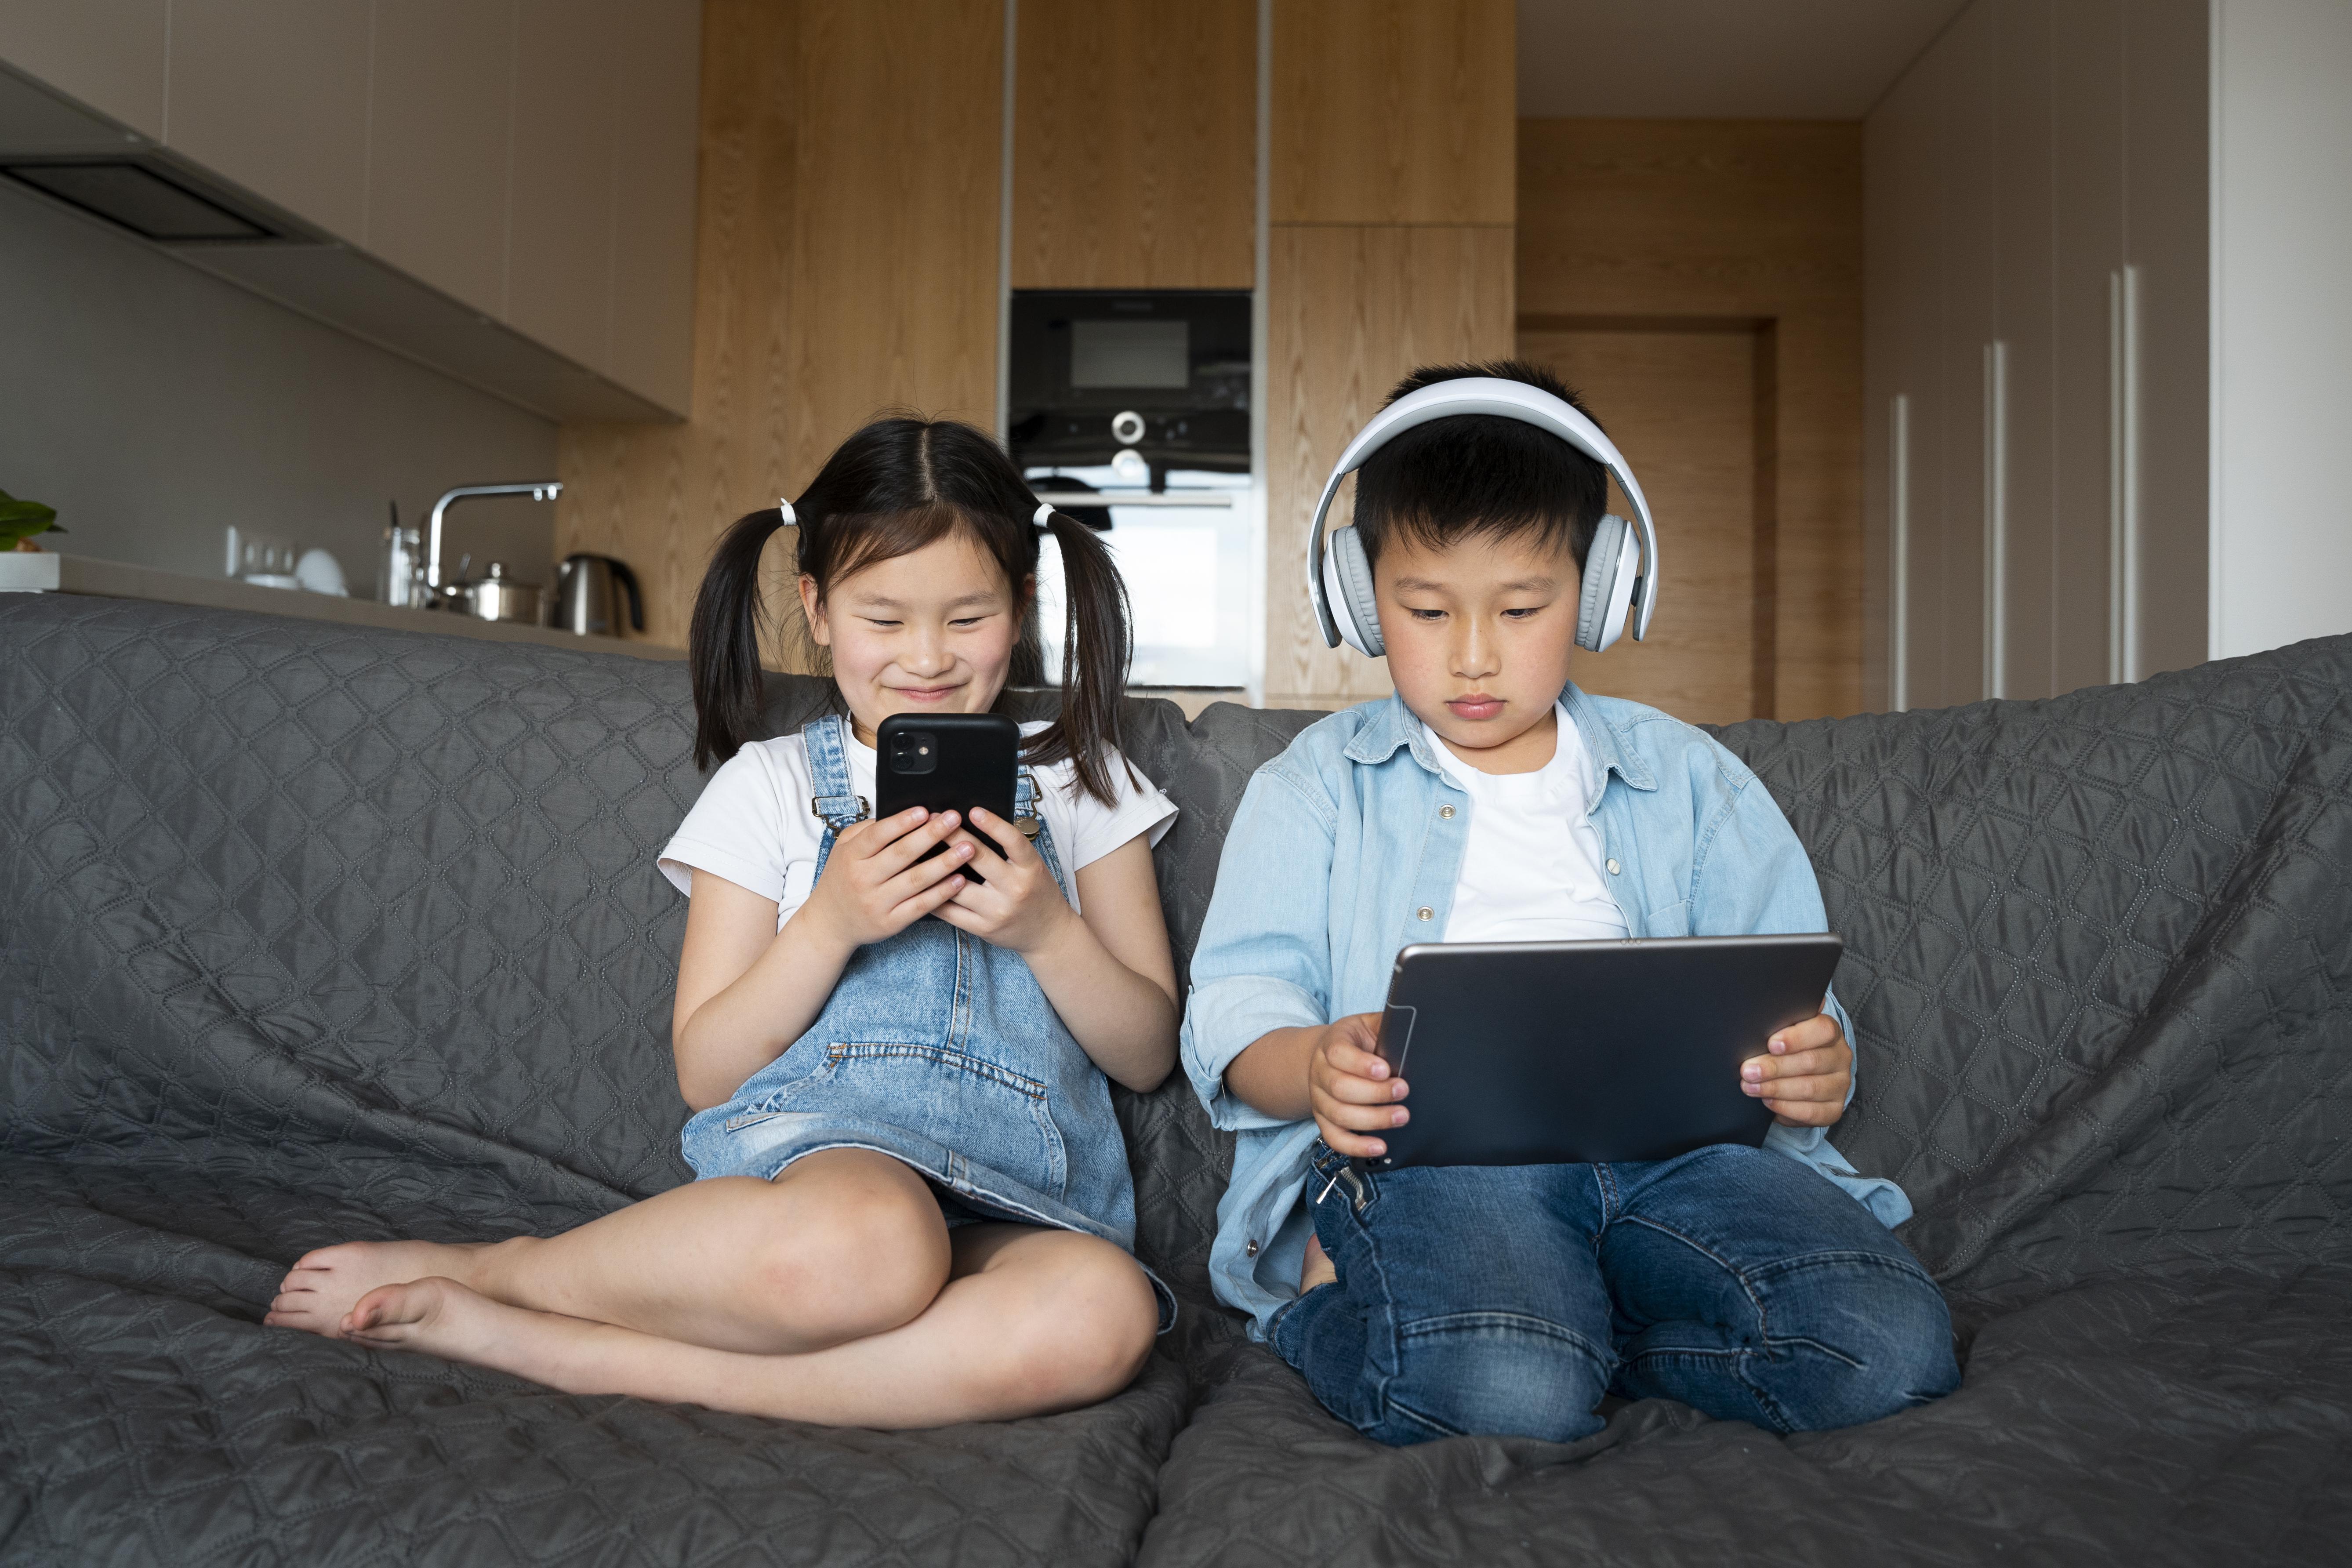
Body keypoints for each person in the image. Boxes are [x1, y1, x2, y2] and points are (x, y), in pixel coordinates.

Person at [269, 417, 1182, 1428]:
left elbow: (1146, 1052)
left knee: (1108, 1313)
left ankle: (587, 1356)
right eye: (884, 619)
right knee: (875, 1249)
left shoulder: (1082, 783)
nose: (927, 657)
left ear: (1021, 606)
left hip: (1026, 1195)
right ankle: (509, 1271)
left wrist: (1048, 930)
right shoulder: (774, 786)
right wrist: (830, 921)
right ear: (817, 609)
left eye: (967, 619)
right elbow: (706, 1068)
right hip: (836, 1175)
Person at [1182, 360, 1960, 1446]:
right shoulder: (1314, 787)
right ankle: (1331, 1311)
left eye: (1521, 606)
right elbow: (1231, 1008)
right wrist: (1313, 1061)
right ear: (1360, 599)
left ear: (1600, 590)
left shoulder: (1691, 779)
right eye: (1424, 608)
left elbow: (1787, 995)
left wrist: (1818, 1060)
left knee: (1886, 1348)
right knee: (1508, 1393)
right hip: (1441, 1161)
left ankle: (1587, 1327)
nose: (1473, 654)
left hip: (1683, 1160)